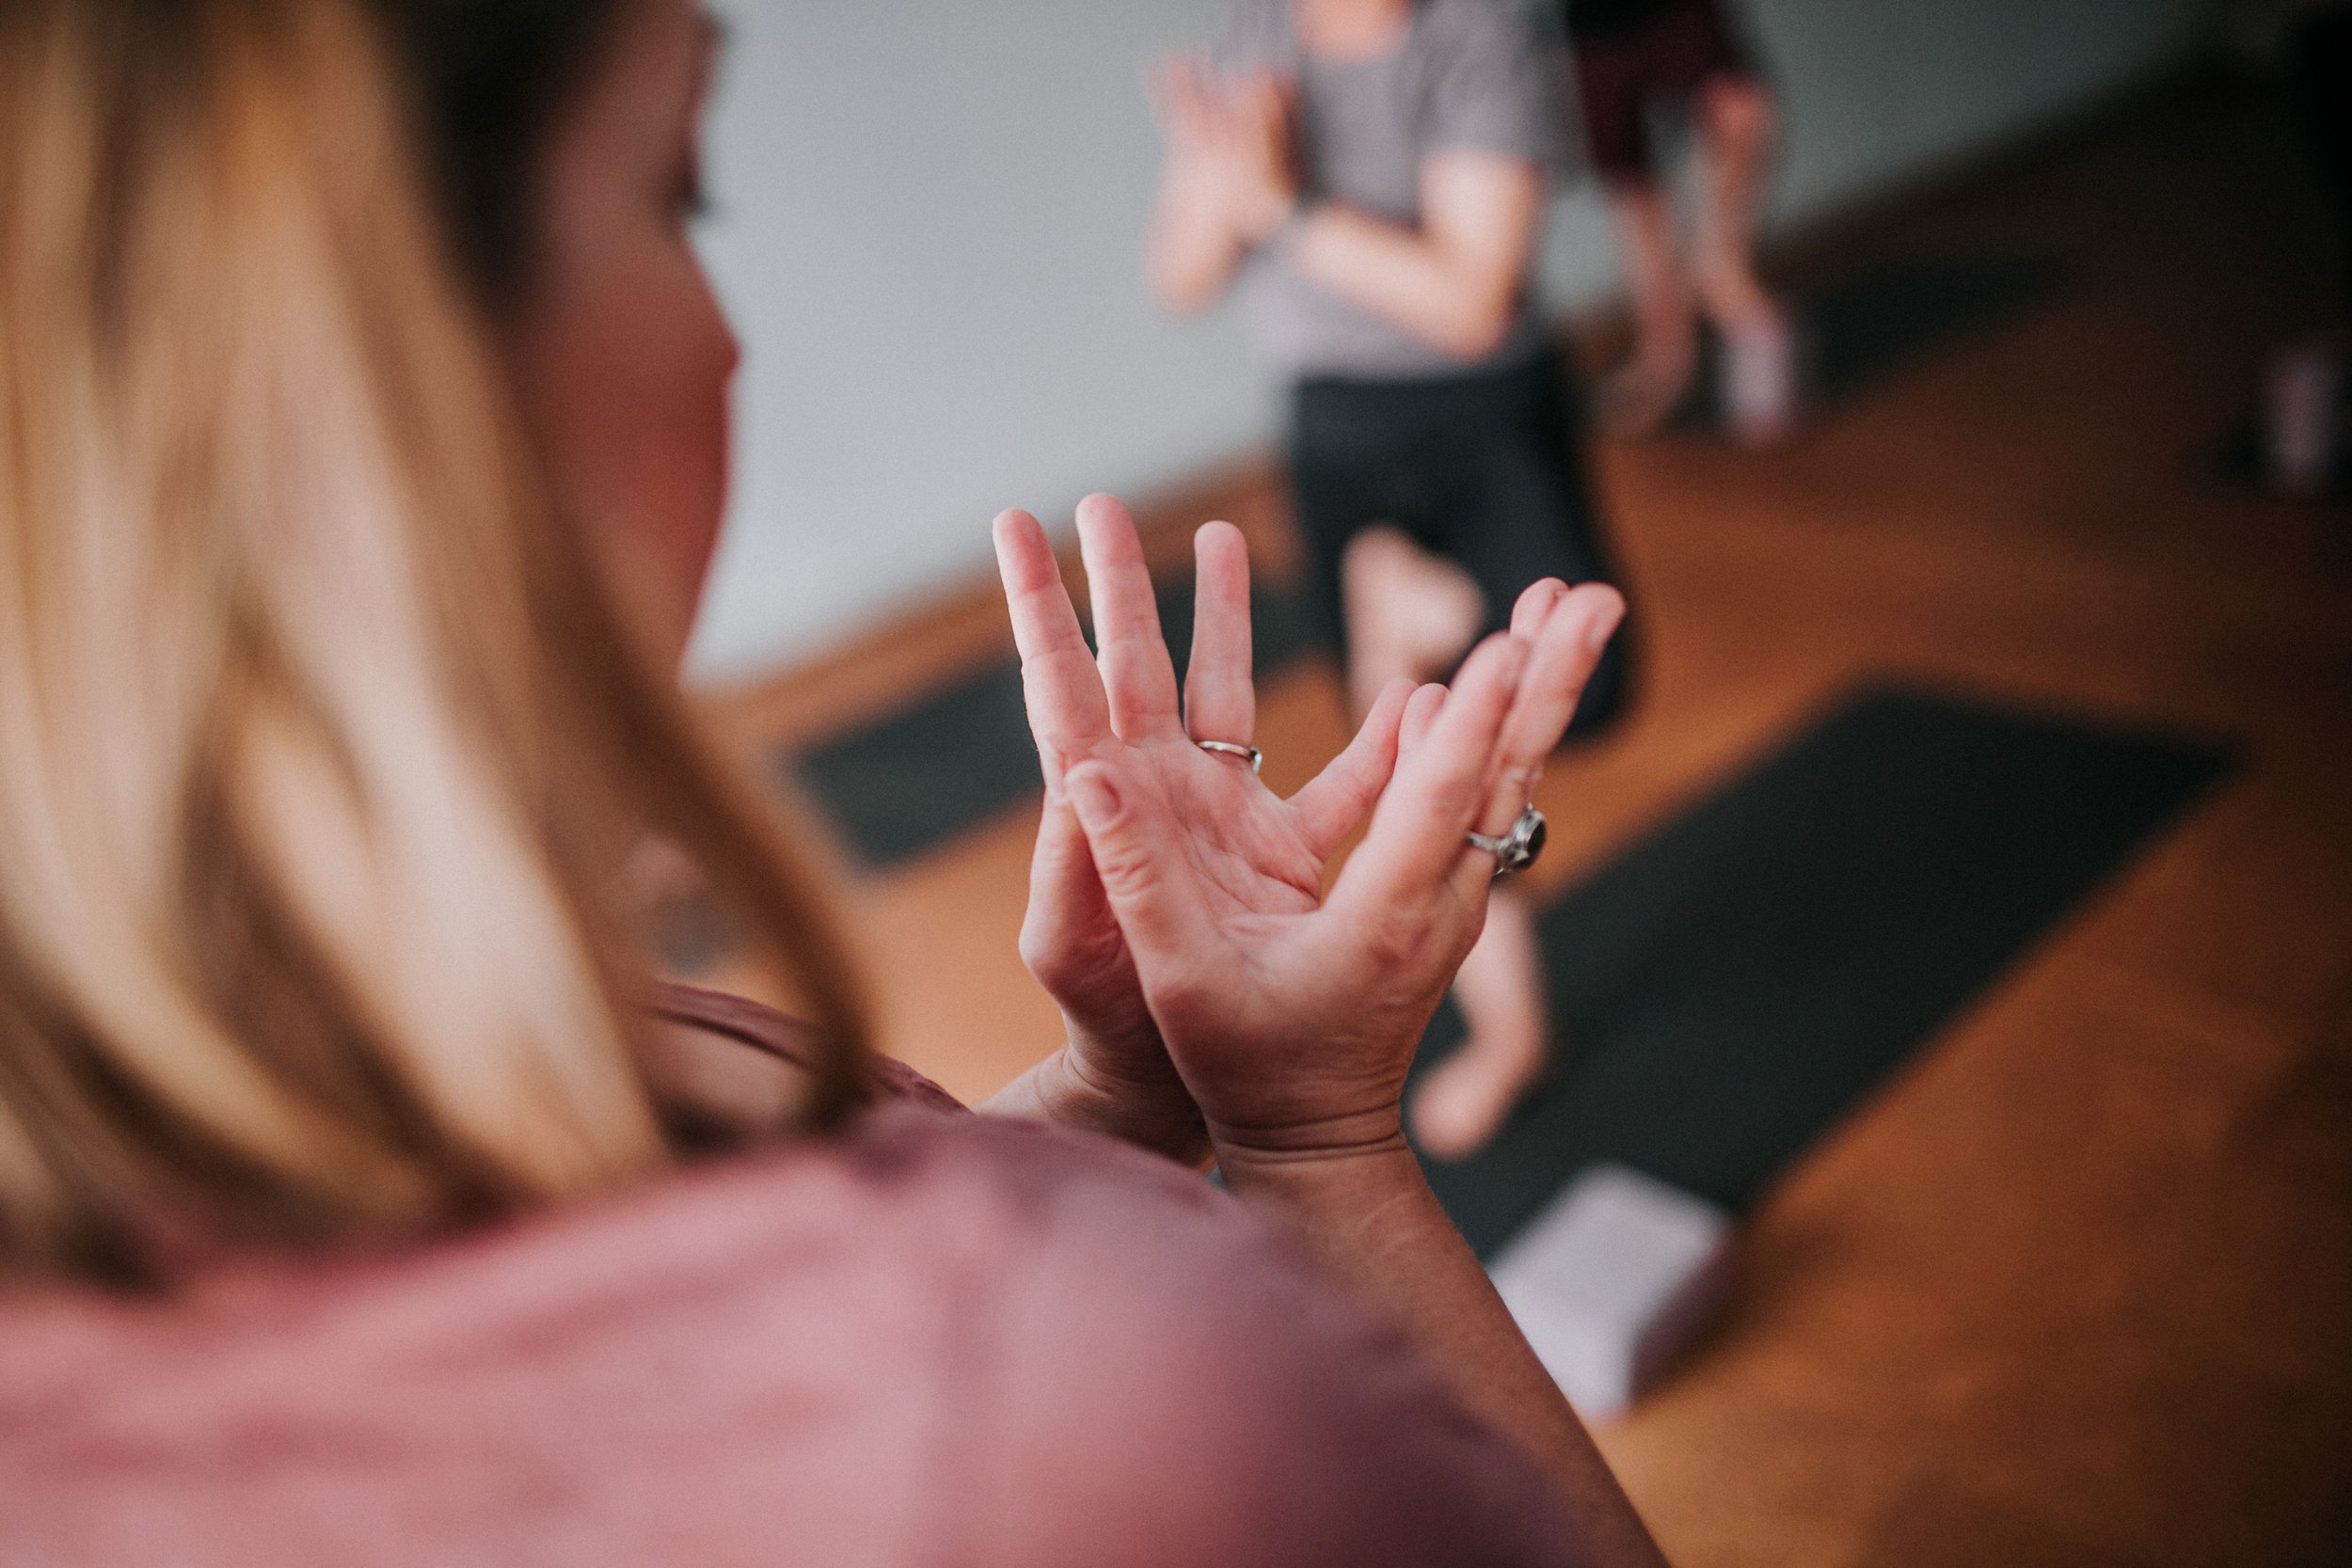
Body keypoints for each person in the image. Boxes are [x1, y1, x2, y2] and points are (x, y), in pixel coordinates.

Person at [0, 2, 1663, 1564]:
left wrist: (1119, 1095)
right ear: (389, 365)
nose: (727, 338)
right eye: (679, 189)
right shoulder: (1090, 1401)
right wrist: (1317, 1142)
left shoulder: (435, 1046)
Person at [1146, 0, 1632, 1159]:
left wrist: (1281, 203)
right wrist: (1220, 188)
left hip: (1483, 418)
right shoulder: (1255, 43)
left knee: (1596, 683)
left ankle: (1425, 598)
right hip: (1334, 428)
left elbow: (1470, 302)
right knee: (1435, 746)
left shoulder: (1476, 35)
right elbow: (1179, 274)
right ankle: (1511, 1032)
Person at [1558, 0, 1793, 441]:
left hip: (1677, 16)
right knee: (1634, 204)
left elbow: (1744, 113)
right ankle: (1667, 364)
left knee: (1720, 269)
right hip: (1592, 35)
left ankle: (1747, 334)